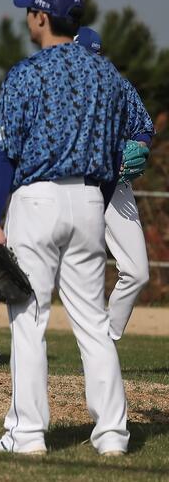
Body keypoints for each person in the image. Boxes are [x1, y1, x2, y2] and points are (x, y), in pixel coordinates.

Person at [0, 0, 130, 457]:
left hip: (37, 200)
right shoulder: (108, 75)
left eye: (30, 12)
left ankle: (27, 435)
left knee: (29, 317)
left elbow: (3, 153)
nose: (27, 18)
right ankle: (112, 434)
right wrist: (95, 203)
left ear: (42, 18)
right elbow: (118, 154)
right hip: (89, 199)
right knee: (93, 321)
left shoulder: (26, 73)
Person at [74, 27, 155, 340]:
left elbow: (143, 129)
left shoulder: (120, 88)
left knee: (137, 272)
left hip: (116, 185)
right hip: (71, 185)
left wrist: (140, 148)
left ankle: (105, 339)